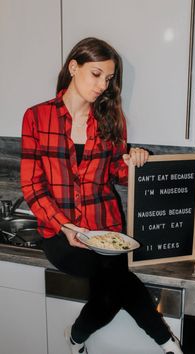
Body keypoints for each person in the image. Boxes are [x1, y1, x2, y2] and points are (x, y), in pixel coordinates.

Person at [20, 37, 183, 354]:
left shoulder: (111, 119)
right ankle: (167, 341)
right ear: (73, 67)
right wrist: (66, 226)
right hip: (59, 232)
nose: (102, 85)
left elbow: (116, 176)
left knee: (111, 289)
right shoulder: (37, 118)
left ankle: (76, 336)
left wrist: (133, 161)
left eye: (108, 79)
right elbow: (32, 186)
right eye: (96, 74)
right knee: (116, 283)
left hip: (107, 229)